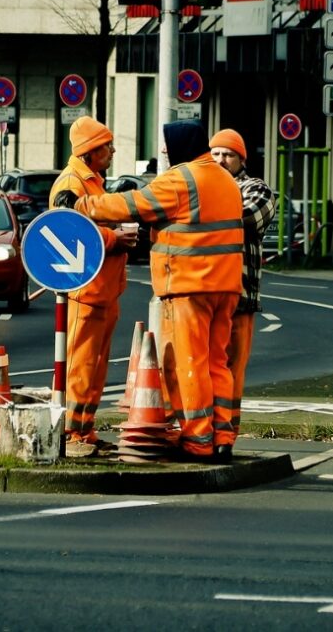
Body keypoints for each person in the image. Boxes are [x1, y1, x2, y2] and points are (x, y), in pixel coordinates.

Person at [64, 120, 244, 463]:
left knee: (190, 364)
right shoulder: (225, 179)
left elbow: (132, 205)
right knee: (218, 362)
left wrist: (81, 205)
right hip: (227, 287)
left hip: (190, 286)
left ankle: (199, 439)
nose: (164, 150)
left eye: (167, 143)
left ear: (180, 146)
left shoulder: (182, 179)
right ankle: (222, 436)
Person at [48, 116, 138, 454]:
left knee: (95, 366)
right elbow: (67, 230)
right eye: (107, 145)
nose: (113, 150)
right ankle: (72, 432)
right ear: (89, 152)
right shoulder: (71, 184)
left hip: (102, 290)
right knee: (81, 365)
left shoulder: (91, 182)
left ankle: (83, 431)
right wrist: (115, 237)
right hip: (87, 291)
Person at [209, 128, 275, 446]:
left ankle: (227, 432)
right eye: (216, 153)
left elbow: (246, 220)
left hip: (241, 296)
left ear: (241, 159)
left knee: (232, 368)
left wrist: (203, 212)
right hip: (205, 293)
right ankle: (200, 428)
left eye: (228, 155)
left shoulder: (256, 189)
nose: (221, 160)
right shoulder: (205, 186)